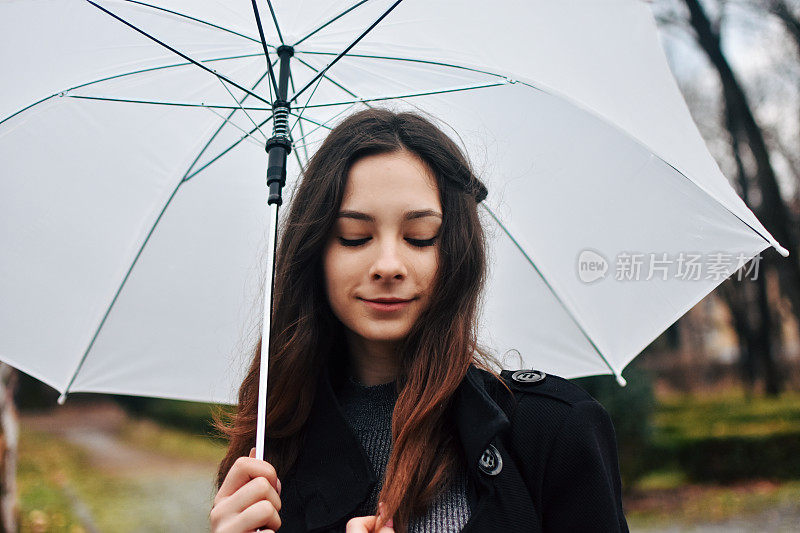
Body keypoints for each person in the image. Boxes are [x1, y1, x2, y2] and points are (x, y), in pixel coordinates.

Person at [209, 109, 630, 533]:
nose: (388, 265)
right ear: (315, 254)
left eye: (419, 237)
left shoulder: (555, 431)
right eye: (355, 237)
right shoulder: (268, 448)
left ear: (456, 252)